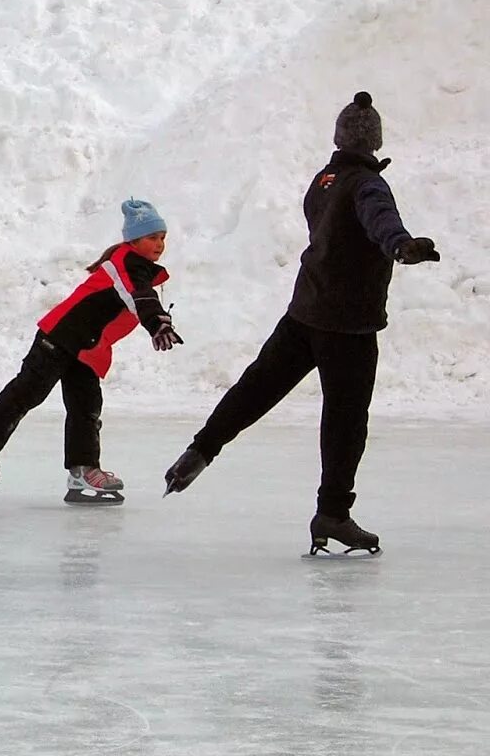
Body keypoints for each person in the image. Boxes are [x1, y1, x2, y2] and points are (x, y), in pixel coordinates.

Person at [164, 92, 439, 555]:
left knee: (256, 387)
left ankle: (202, 449)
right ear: (374, 141)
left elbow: (339, 226)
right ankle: (333, 512)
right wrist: (401, 246)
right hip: (347, 326)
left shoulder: (325, 180)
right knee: (345, 422)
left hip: (304, 311)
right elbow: (380, 220)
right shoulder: (367, 185)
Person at [0, 199, 183, 505]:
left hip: (86, 347)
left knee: (86, 407)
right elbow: (139, 296)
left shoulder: (139, 268)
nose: (160, 244)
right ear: (133, 240)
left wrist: (157, 321)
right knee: (28, 391)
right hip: (61, 336)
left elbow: (141, 295)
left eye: (163, 238)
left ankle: (83, 471)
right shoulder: (126, 262)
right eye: (153, 237)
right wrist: (157, 323)